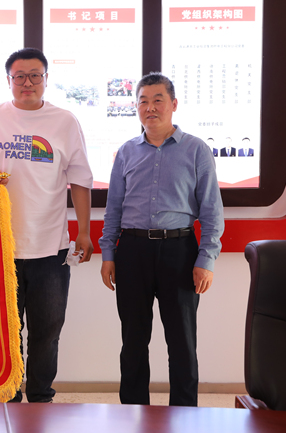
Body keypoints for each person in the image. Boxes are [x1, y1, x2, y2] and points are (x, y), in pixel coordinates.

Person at [0, 47, 94, 403]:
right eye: (20, 76)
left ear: (46, 79)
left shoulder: (64, 122)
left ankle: (40, 398)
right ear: (9, 80)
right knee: (5, 333)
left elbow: (80, 179)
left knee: (47, 332)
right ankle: (8, 399)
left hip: (50, 248)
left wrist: (83, 231)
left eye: (35, 75)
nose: (27, 83)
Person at [99, 72, 224, 407]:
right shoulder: (126, 152)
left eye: (158, 100)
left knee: (182, 341)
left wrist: (206, 260)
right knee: (133, 340)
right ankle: (133, 412)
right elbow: (114, 208)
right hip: (132, 251)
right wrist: (108, 253)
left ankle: (184, 415)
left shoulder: (196, 150)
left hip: (179, 250)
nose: (150, 107)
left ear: (173, 104)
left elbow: (211, 210)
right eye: (143, 101)